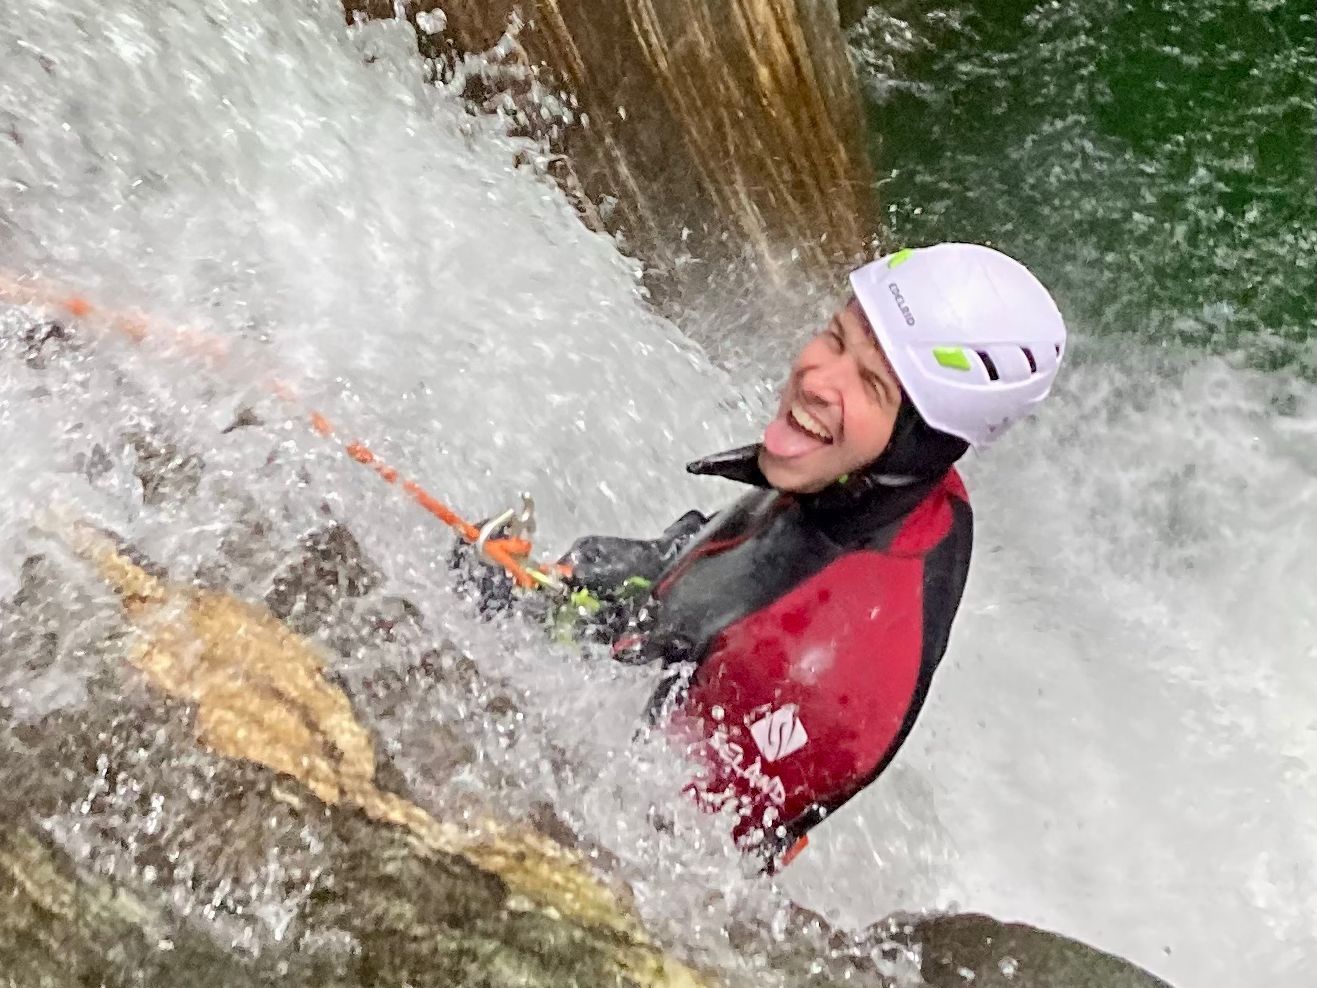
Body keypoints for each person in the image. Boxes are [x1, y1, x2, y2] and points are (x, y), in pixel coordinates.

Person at [460, 242, 1067, 870]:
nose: (818, 378)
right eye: (836, 337)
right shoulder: (872, 487)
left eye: (872, 385)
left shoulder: (808, 674)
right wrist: (554, 589)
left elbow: (637, 842)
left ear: (916, 449)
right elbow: (700, 567)